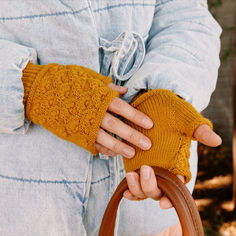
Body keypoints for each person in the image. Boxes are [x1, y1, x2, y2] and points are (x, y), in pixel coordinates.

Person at [0, 0, 222, 235]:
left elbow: (184, 13)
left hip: (147, 217)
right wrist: (30, 87)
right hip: (23, 212)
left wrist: (160, 93)